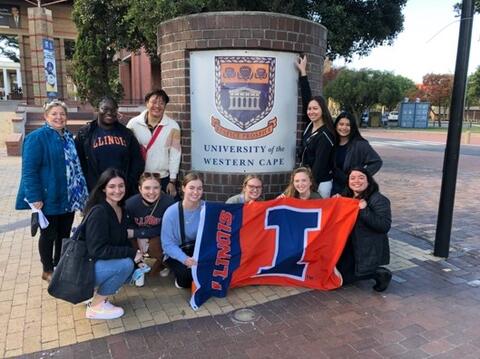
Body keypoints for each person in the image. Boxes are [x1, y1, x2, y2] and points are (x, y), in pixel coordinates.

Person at [15, 100, 89, 282]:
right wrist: (34, 197)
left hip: (69, 197)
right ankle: (47, 269)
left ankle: (60, 264)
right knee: (48, 235)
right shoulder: (36, 138)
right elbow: (29, 170)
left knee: (64, 234)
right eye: (54, 114)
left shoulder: (68, 138)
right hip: (49, 197)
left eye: (62, 114)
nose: (59, 117)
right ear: (46, 117)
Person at [83, 169, 144, 320]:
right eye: (112, 186)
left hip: (98, 264)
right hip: (85, 268)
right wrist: (131, 254)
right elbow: (97, 250)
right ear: (103, 188)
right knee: (125, 265)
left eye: (121, 185)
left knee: (130, 267)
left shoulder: (120, 209)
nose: (117, 190)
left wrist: (138, 257)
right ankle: (95, 307)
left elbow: (121, 240)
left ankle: (94, 294)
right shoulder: (99, 212)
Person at [75, 96, 144, 197]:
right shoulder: (85, 133)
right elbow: (78, 161)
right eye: (105, 109)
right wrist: (90, 184)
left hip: (121, 190)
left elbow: (137, 161)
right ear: (98, 109)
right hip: (95, 190)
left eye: (113, 109)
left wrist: (128, 184)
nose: (109, 112)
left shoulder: (126, 133)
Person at [337, 167, 392, 292]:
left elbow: (384, 226)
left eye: (361, 177)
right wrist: (336, 202)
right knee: (337, 276)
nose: (356, 181)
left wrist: (364, 210)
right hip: (349, 244)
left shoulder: (379, 200)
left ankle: (380, 273)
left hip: (366, 246)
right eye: (352, 178)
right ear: (348, 182)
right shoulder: (346, 197)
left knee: (345, 279)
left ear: (369, 181)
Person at [127, 89, 181, 197]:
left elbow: (175, 154)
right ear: (147, 103)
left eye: (161, 103)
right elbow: (127, 150)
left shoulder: (173, 126)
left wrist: (172, 180)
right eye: (154, 102)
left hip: (162, 177)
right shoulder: (133, 124)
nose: (157, 106)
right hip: (139, 178)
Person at [295, 55, 336, 198]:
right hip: (308, 181)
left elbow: (319, 166)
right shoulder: (309, 126)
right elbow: (307, 98)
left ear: (323, 110)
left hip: (319, 184)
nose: (311, 112)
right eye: (309, 109)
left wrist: (310, 187)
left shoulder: (325, 135)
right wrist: (303, 73)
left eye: (315, 109)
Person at [125, 172, 175, 285]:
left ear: (160, 188)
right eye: (147, 188)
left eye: (155, 188)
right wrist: (138, 236)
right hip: (137, 237)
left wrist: (140, 234)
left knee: (155, 245)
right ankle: (137, 265)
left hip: (158, 236)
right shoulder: (130, 203)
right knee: (128, 238)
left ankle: (164, 263)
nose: (151, 192)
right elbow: (128, 226)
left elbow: (167, 229)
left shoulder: (169, 202)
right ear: (140, 189)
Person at [161, 173, 204, 288]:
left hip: (197, 249)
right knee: (186, 278)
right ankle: (177, 274)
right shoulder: (171, 213)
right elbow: (167, 244)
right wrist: (185, 259)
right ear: (184, 188)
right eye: (191, 188)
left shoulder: (206, 209)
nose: (196, 192)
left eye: (199, 188)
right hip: (176, 251)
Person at [331, 111, 382, 195]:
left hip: (352, 189)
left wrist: (361, 176)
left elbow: (377, 162)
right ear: (336, 125)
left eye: (348, 125)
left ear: (353, 127)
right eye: (341, 124)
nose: (344, 128)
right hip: (335, 187)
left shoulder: (360, 144)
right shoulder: (333, 143)